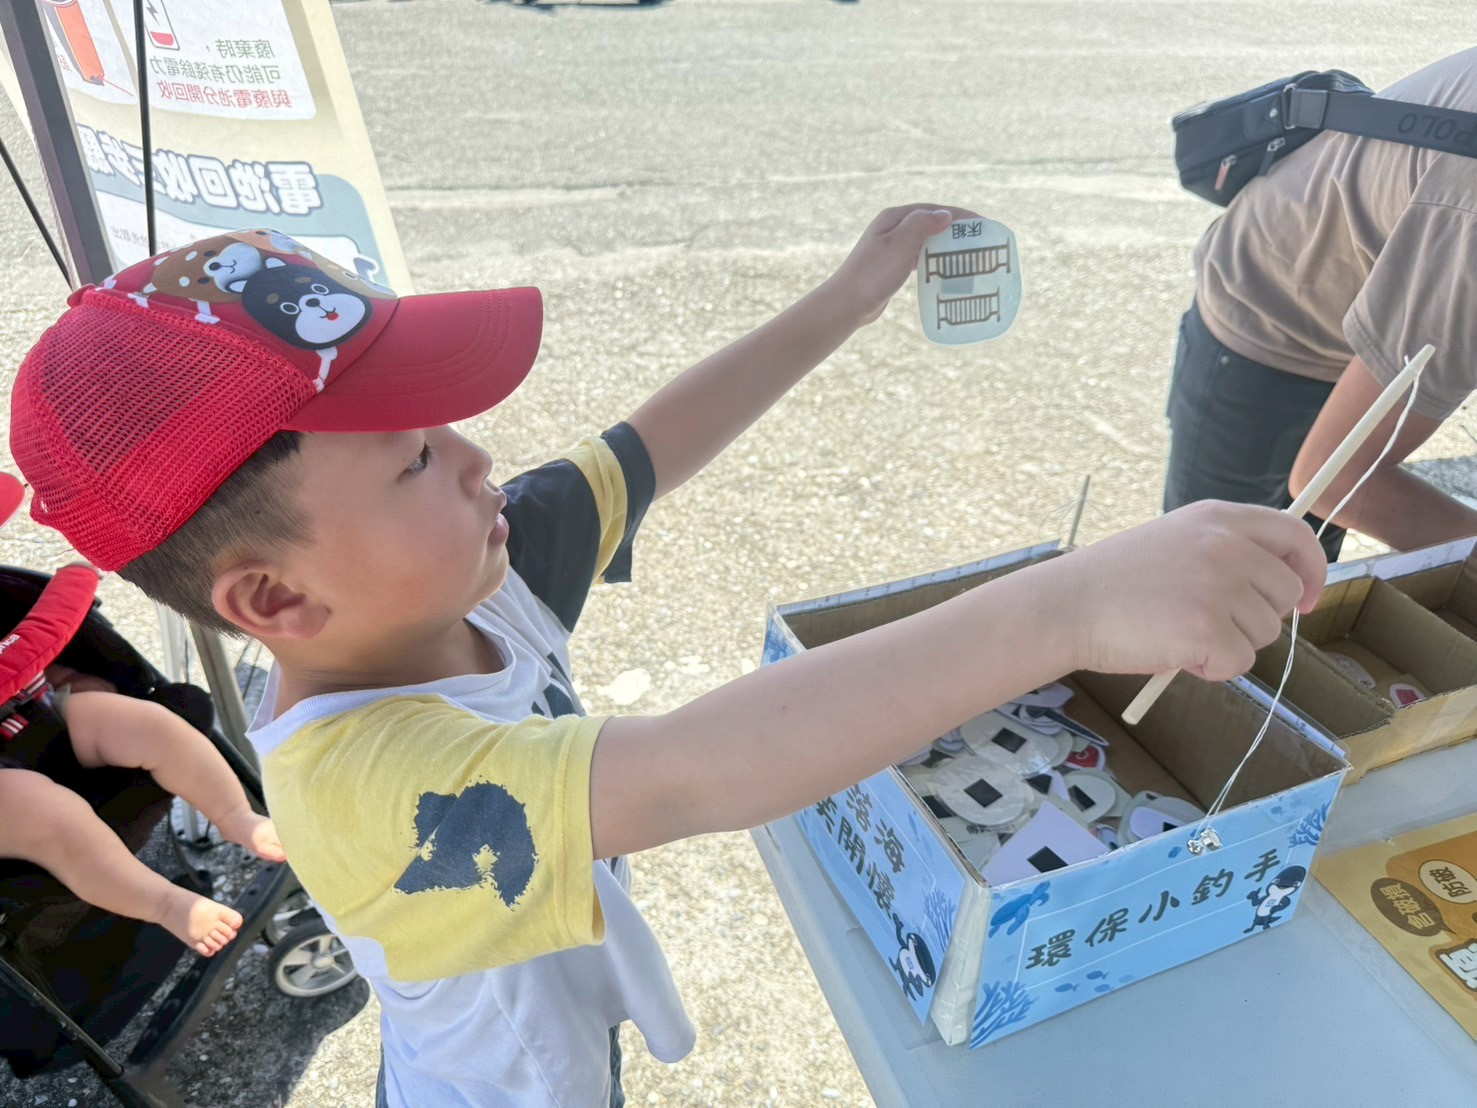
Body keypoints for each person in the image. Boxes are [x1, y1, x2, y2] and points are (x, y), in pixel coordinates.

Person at [9, 211, 1326, 1107]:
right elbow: (700, 768)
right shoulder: (359, 785)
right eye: (414, 456)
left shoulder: (464, 573)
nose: (476, 456)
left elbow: (646, 448)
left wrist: (845, 298)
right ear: (275, 598)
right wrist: (1065, 608)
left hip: (562, 1022)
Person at [1164, 47, 1477, 561]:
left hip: (1369, 300)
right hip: (1264, 318)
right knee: (1216, 571)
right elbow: (1335, 482)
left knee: (1304, 572)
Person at [0, 651, 285, 956]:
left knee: (151, 724)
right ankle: (165, 904)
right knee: (43, 811)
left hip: (34, 709)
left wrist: (70, 679)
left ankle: (236, 816)